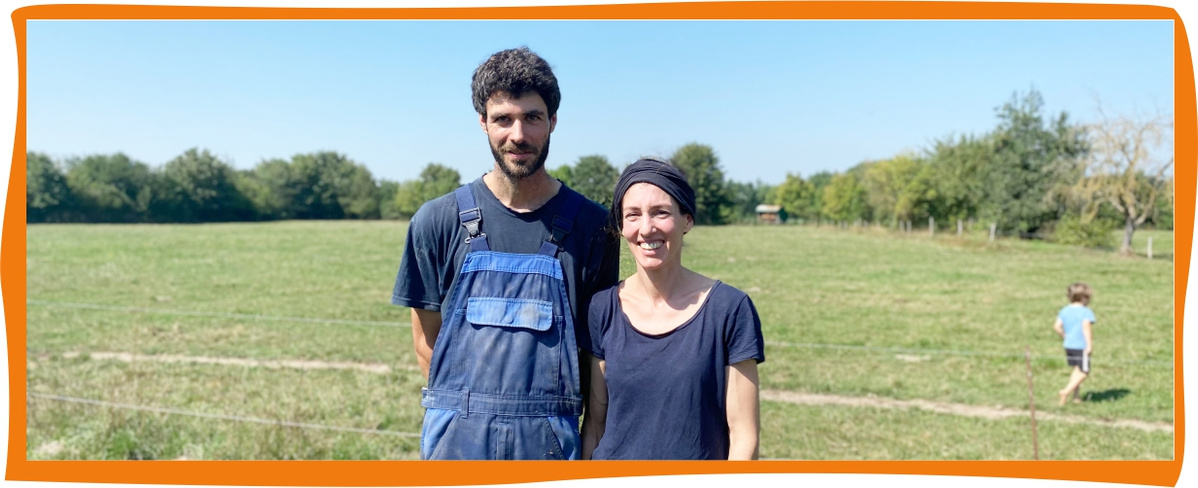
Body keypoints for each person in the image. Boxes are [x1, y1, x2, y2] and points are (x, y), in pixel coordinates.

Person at [391, 46, 619, 460]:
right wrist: (463, 416)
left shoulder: (593, 227)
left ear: (552, 122)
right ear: (483, 123)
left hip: (552, 445)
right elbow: (426, 340)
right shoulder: (436, 221)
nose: (518, 135)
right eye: (503, 119)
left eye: (532, 117)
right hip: (457, 444)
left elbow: (597, 352)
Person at [581, 158, 765, 460]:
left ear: (687, 220)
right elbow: (594, 428)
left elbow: (744, 437)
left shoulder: (730, 310)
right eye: (633, 215)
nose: (646, 228)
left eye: (660, 213)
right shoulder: (601, 310)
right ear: (621, 226)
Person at [1053, 282, 1096, 406]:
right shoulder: (1086, 312)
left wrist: (1065, 336)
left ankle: (1076, 396)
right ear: (1084, 298)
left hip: (1068, 345)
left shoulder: (1064, 310)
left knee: (1076, 369)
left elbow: (1056, 326)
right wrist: (1089, 345)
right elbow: (1086, 328)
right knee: (1084, 372)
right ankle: (1065, 392)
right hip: (1081, 346)